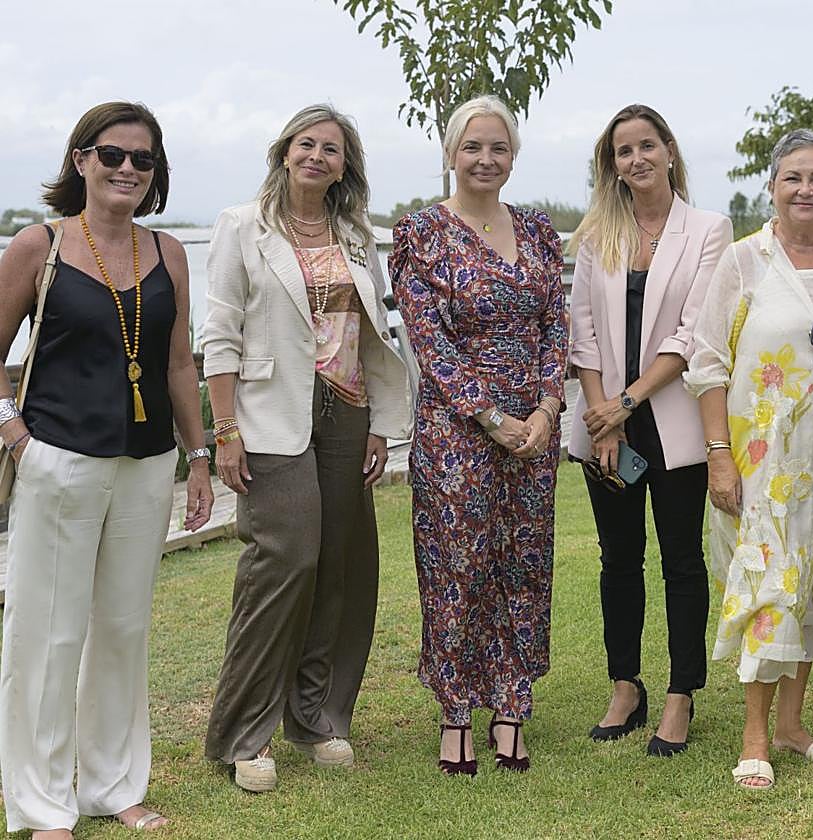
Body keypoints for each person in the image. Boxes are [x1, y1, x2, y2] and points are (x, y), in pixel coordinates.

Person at [0, 101, 213, 837]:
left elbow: (181, 363)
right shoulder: (39, 245)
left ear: (156, 174)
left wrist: (200, 457)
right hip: (58, 460)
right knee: (47, 637)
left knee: (122, 631)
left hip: (147, 466)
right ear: (81, 160)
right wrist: (17, 436)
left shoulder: (169, 252)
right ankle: (42, 804)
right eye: (112, 154)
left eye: (143, 159)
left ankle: (114, 785)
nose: (127, 168)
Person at [202, 104, 414, 793]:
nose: (318, 155)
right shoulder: (242, 226)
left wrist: (381, 422)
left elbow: (376, 331)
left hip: (348, 411)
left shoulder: (354, 234)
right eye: (307, 143)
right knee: (285, 559)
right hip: (271, 415)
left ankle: (319, 718)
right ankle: (246, 732)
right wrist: (224, 429)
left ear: (345, 164)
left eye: (332, 148)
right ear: (285, 151)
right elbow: (222, 332)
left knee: (342, 565)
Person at [685, 129, 813, 791]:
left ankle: (793, 725)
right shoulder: (743, 261)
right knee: (769, 589)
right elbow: (707, 366)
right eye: (793, 179)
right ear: (772, 189)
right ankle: (754, 736)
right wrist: (719, 456)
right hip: (764, 462)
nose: (807, 190)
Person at [391, 95, 567, 776]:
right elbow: (430, 346)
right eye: (473, 147)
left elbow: (557, 323)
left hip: (535, 427)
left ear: (513, 156)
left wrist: (547, 410)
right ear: (449, 154)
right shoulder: (421, 234)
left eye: (498, 148)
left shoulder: (540, 230)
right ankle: (456, 712)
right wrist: (492, 420)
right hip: (456, 430)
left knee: (522, 565)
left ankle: (512, 707)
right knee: (456, 566)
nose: (485, 159)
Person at [567, 104, 732, 756]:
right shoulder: (594, 236)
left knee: (682, 562)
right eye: (621, 151)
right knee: (618, 560)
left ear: (668, 149)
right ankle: (625, 686)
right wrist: (603, 417)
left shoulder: (708, 230)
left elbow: (695, 331)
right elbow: (581, 332)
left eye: (645, 146)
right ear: (612, 165)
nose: (635, 159)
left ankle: (679, 694)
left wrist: (627, 402)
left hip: (671, 422)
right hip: (605, 425)